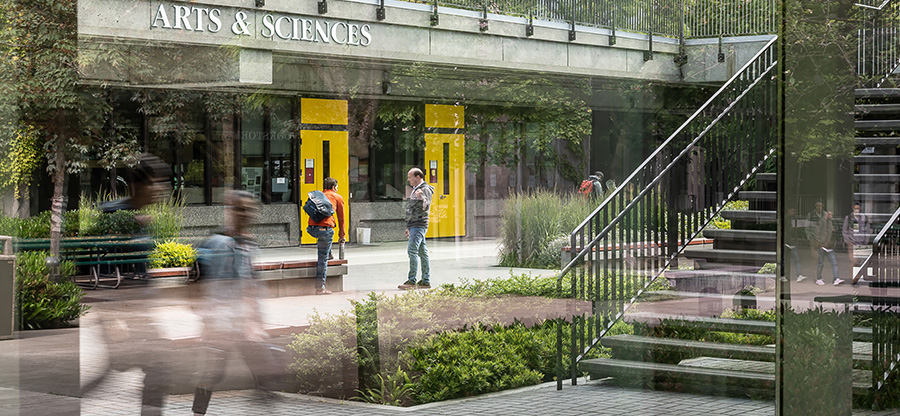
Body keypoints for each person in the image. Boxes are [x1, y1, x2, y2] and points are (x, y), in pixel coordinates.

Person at [81, 153, 171, 416]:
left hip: (139, 315)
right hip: (124, 316)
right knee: (154, 370)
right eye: (157, 182)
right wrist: (112, 322)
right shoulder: (114, 214)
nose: (161, 189)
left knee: (152, 372)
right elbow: (103, 269)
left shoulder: (140, 218)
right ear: (138, 185)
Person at [192, 191, 280, 415]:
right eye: (240, 209)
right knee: (213, 373)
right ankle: (198, 413)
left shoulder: (248, 244)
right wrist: (210, 320)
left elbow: (251, 283)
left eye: (250, 209)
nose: (246, 213)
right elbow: (205, 283)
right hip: (222, 322)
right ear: (230, 210)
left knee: (261, 369)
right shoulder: (218, 243)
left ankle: (263, 399)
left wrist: (256, 318)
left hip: (241, 323)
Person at [306, 177, 346, 295]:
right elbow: (341, 218)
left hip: (311, 229)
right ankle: (320, 288)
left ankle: (328, 253)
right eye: (336, 187)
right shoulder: (337, 197)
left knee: (324, 245)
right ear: (334, 187)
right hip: (325, 229)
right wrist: (342, 235)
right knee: (322, 259)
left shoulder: (319, 196)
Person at [399, 168, 435, 289]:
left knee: (412, 251)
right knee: (422, 252)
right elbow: (412, 209)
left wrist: (422, 197)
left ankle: (411, 280)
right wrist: (408, 226)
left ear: (418, 177)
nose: (408, 179)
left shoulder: (425, 189)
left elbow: (426, 205)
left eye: (410, 177)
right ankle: (425, 280)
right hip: (414, 225)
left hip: (419, 225)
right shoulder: (415, 189)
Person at [807, 202, 842, 286]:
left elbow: (831, 232)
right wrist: (820, 242)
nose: (831, 216)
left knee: (833, 262)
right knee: (820, 263)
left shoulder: (830, 221)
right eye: (830, 214)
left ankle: (836, 278)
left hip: (829, 245)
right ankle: (818, 278)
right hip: (822, 245)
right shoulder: (821, 220)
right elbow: (817, 232)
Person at [844, 202, 870, 284]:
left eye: (858, 208)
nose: (857, 210)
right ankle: (853, 278)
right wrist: (848, 241)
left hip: (861, 243)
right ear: (853, 208)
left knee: (860, 262)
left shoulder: (864, 218)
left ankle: (857, 278)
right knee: (853, 261)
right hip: (852, 242)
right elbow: (845, 230)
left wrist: (866, 241)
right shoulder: (849, 218)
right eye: (855, 208)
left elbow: (868, 230)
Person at [786, 208, 808, 283]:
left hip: (791, 242)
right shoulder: (787, 219)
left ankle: (798, 275)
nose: (794, 213)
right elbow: (788, 230)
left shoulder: (792, 219)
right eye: (792, 211)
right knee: (790, 260)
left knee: (795, 260)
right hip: (788, 242)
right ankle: (795, 275)